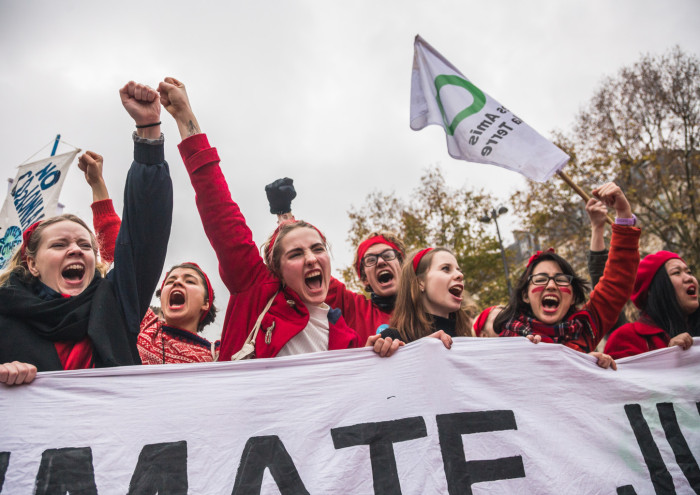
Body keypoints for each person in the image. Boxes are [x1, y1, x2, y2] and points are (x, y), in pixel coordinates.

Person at [157, 77, 400, 360]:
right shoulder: (257, 290)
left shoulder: (348, 336)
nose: (311, 258)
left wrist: (389, 354)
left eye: (318, 249)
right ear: (277, 269)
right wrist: (186, 116)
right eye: (296, 254)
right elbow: (217, 207)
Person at [0, 81, 173, 385]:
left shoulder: (116, 304)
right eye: (59, 244)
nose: (76, 250)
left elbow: (145, 233)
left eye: (84, 244)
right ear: (32, 263)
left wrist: (148, 130)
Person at [78, 150, 220, 364]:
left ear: (205, 303)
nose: (177, 282)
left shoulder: (217, 355)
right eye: (170, 281)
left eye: (189, 281)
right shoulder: (142, 325)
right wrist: (97, 184)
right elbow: (121, 253)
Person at [493, 183, 640, 369]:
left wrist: (623, 213)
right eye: (540, 279)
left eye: (561, 280)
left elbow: (616, 283)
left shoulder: (585, 329)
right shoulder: (503, 345)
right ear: (525, 295)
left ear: (573, 297)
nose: (552, 286)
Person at [265, 178, 405, 343]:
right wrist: (284, 215)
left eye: (388, 255)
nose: (381, 262)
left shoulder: (429, 305)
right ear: (364, 278)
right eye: (371, 260)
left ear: (403, 265)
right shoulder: (353, 308)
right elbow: (305, 268)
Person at [604, 251, 698, 359]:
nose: (689, 278)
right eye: (676, 272)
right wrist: (669, 359)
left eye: (689, 272)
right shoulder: (626, 338)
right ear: (652, 289)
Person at [381, 247, 474, 348]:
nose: (460, 275)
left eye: (458, 270)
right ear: (420, 282)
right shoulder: (392, 340)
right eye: (446, 268)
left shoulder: (468, 340)